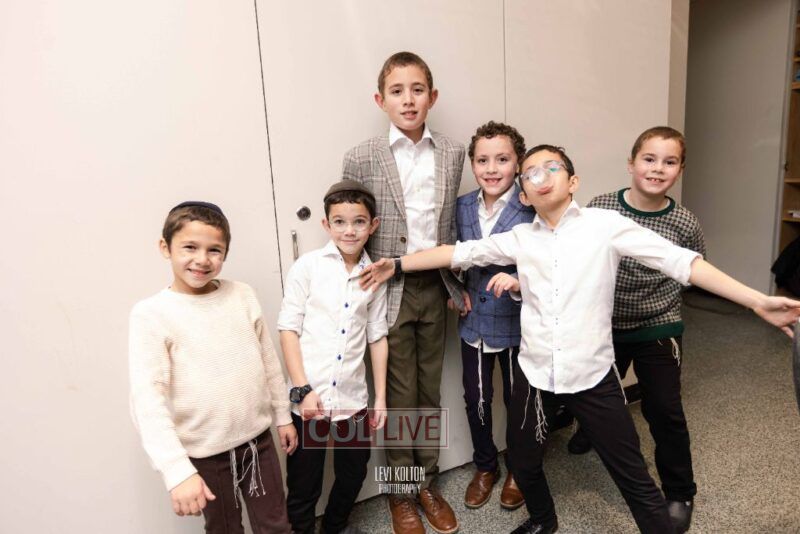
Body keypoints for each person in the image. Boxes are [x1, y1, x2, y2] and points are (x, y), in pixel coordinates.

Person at [358, 145, 800, 534]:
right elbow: (458, 252)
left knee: (631, 474)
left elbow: (681, 261)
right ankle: (543, 519)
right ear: (524, 194)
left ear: (573, 182)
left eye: (551, 167)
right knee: (524, 463)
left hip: (592, 376)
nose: (540, 176)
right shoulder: (520, 238)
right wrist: (395, 264)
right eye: (530, 172)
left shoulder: (605, 226)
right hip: (534, 374)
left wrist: (756, 301)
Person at [341, 51, 465, 534]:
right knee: (397, 394)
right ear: (381, 100)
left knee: (429, 390)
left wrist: (455, 282)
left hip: (433, 284)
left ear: (432, 97)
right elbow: (353, 224)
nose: (408, 100)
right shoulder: (362, 156)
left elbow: (450, 223)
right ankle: (400, 491)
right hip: (385, 288)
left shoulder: (452, 152)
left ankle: (426, 482)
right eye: (397, 91)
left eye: (417, 90)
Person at [566, 126, 705, 532]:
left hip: (657, 326)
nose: (658, 168)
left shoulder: (684, 222)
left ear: (680, 170)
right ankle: (590, 429)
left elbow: (693, 270)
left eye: (669, 162)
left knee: (664, 410)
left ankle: (680, 491)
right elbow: (575, 255)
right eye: (649, 159)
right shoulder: (601, 207)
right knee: (591, 393)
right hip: (603, 323)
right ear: (631, 164)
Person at [129, 201, 296, 534]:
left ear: (225, 253)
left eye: (214, 250)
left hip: (258, 444)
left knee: (276, 525)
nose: (202, 259)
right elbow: (147, 401)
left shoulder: (242, 295)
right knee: (224, 529)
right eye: (190, 247)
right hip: (205, 455)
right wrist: (177, 470)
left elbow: (269, 362)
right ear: (165, 247)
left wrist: (283, 416)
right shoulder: (151, 315)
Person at [277, 180, 389, 534]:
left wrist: (380, 398)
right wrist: (302, 389)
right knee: (304, 482)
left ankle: (335, 526)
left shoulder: (374, 276)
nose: (349, 230)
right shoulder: (308, 267)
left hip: (353, 400)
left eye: (359, 221)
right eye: (339, 222)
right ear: (326, 225)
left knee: (354, 472)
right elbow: (288, 329)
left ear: (373, 225)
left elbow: (377, 337)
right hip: (309, 398)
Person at [455, 121, 533, 511]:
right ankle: (486, 466)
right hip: (474, 325)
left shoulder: (532, 205)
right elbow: (451, 256)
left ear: (518, 163)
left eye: (502, 159)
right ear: (472, 164)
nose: (491, 169)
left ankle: (521, 468)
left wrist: (518, 280)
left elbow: (549, 261)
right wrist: (454, 291)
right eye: (482, 160)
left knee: (519, 401)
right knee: (477, 399)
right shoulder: (462, 206)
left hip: (518, 323)